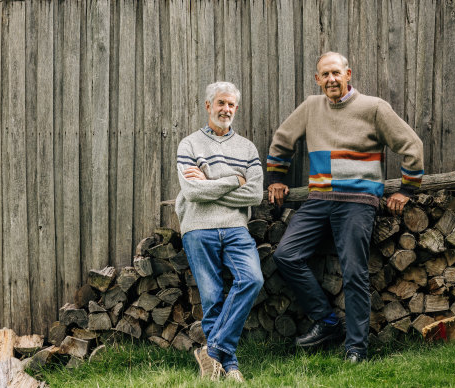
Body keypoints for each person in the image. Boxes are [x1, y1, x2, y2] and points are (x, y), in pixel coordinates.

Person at [266, 52, 424, 362]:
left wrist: (407, 189)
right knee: (286, 255)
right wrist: (276, 178)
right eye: (324, 75)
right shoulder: (311, 107)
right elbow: (283, 139)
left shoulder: (373, 108)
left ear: (348, 74)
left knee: (354, 273)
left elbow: (411, 145)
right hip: (319, 199)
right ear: (317, 79)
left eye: (336, 73)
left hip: (357, 202)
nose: (331, 80)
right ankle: (326, 322)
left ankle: (356, 348)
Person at [175, 81, 264, 382]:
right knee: (212, 297)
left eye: (231, 105)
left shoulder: (247, 148)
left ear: (236, 109)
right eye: (221, 103)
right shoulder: (189, 144)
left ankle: (211, 352)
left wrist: (209, 180)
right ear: (208, 106)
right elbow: (191, 191)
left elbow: (255, 195)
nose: (226, 109)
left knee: (252, 278)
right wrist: (233, 180)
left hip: (236, 227)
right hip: (198, 227)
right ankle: (231, 365)